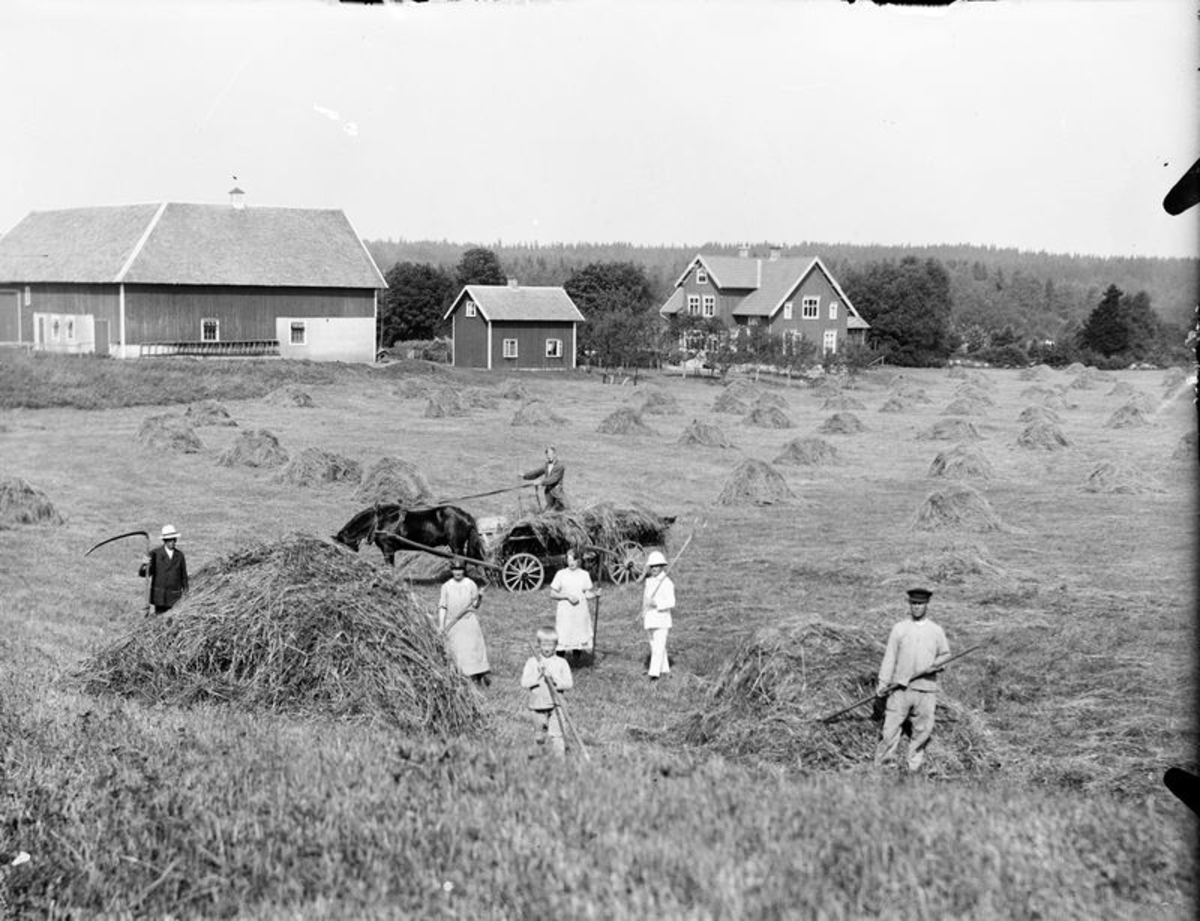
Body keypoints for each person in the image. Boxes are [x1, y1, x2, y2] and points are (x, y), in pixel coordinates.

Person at [874, 588, 952, 773]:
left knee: (922, 730)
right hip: (900, 689)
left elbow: (946, 654)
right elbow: (890, 657)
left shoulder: (936, 630)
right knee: (890, 730)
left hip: (926, 689)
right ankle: (884, 768)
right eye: (913, 603)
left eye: (920, 604)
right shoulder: (899, 628)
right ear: (909, 604)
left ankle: (914, 767)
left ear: (927, 605)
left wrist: (936, 665)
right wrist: (883, 683)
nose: (916, 607)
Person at [520, 626, 574, 757]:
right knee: (539, 736)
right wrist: (538, 674)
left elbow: (569, 683)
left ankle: (559, 760)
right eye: (544, 645)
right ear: (538, 644)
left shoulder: (561, 663)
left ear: (556, 645)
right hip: (537, 705)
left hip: (557, 705)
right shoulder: (532, 662)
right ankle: (538, 759)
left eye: (550, 645)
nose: (547, 648)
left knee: (558, 735)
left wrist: (554, 678)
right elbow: (524, 683)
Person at [438, 559, 490, 686]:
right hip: (453, 623)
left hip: (468, 621)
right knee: (455, 651)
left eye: (460, 569)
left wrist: (480, 597)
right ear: (451, 571)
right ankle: (458, 676)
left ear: (464, 570)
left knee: (473, 649)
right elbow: (443, 607)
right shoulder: (446, 586)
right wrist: (441, 625)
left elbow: (475, 605)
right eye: (455, 570)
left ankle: (477, 675)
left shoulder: (470, 584)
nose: (458, 572)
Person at [549, 548, 597, 663]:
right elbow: (552, 594)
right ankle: (559, 663)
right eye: (569, 560)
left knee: (578, 635)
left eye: (574, 560)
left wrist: (596, 594)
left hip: (580, 612)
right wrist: (567, 596)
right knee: (563, 636)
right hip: (565, 612)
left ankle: (576, 662)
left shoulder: (584, 575)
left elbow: (587, 594)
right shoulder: (561, 574)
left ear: (578, 560)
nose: (571, 563)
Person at [138, 524, 189, 614]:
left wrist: (186, 593)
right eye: (169, 540)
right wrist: (144, 565)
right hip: (160, 598)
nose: (171, 542)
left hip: (175, 598)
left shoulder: (180, 555)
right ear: (164, 541)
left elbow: (184, 576)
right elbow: (144, 573)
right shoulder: (155, 554)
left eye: (173, 540)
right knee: (160, 619)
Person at [641, 549, 675, 682]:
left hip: (661, 619)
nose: (654, 568)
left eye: (657, 566)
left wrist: (656, 603)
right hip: (650, 618)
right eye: (652, 566)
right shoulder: (649, 581)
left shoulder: (667, 582)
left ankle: (654, 674)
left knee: (658, 648)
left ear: (662, 566)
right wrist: (644, 611)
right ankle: (665, 670)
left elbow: (671, 602)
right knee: (655, 646)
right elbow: (645, 600)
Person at [521, 444, 567, 511]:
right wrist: (525, 475)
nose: (549, 456)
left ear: (555, 454)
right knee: (549, 511)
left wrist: (541, 482)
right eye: (547, 455)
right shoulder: (546, 465)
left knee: (565, 510)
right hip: (548, 493)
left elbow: (553, 479)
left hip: (557, 493)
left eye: (551, 454)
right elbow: (537, 472)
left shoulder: (560, 466)